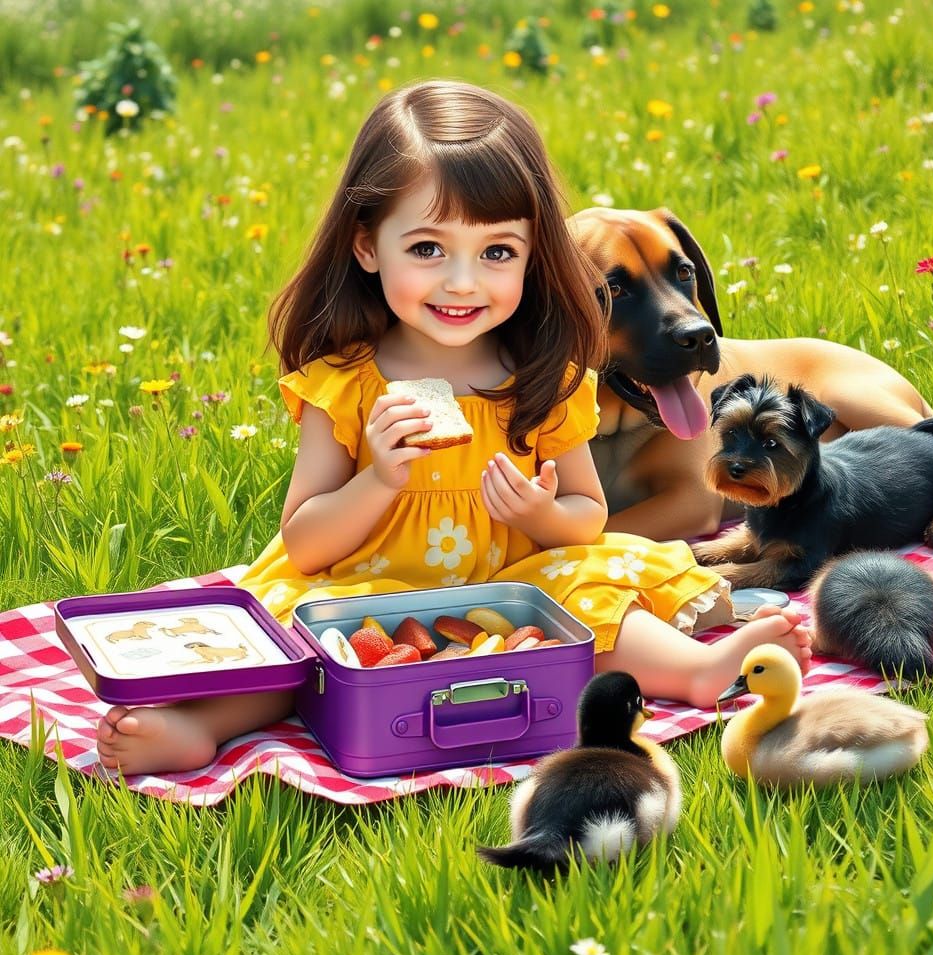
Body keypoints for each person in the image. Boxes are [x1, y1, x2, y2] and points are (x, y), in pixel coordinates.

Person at [97, 80, 810, 775]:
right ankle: (197, 727)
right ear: (369, 245)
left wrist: (542, 515)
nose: (463, 283)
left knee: (596, 597)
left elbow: (588, 517)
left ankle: (697, 671)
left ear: (536, 256)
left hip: (511, 586)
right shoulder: (345, 383)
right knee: (299, 643)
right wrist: (378, 478)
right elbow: (305, 541)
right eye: (429, 250)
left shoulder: (547, 376)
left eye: (497, 252)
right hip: (370, 592)